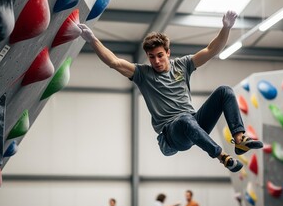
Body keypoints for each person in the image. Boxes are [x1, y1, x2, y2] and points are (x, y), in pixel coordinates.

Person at [77, 10, 263, 173]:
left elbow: (211, 49)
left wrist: (226, 29)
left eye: (159, 56)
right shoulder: (143, 74)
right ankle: (222, 157)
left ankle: (239, 139)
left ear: (168, 52)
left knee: (224, 91)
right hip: (171, 137)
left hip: (194, 125)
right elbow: (114, 62)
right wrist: (93, 40)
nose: (156, 61)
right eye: (151, 57)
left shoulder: (183, 65)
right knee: (184, 120)